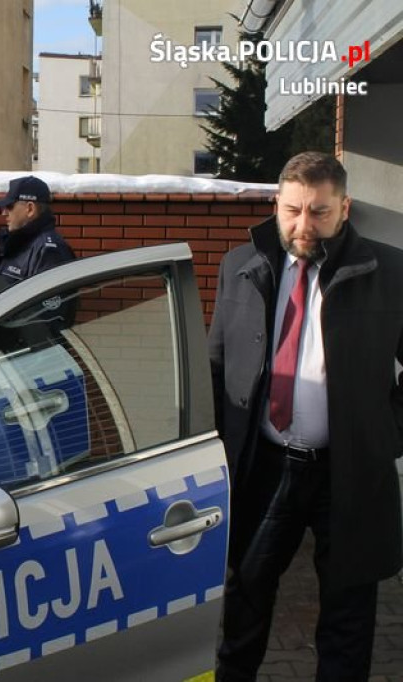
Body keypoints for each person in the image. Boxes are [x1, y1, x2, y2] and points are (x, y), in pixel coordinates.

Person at [209, 152, 403, 681]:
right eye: (293, 209)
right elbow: (219, 364)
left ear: (345, 207)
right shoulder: (239, 267)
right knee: (244, 598)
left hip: (351, 471)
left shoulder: (388, 271)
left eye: (319, 211)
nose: (303, 225)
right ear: (276, 204)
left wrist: (385, 433)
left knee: (348, 613)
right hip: (266, 467)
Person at [0, 175, 75, 285]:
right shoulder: (18, 244)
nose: (4, 213)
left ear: (30, 209)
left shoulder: (48, 252)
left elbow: (51, 300)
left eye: (10, 206)